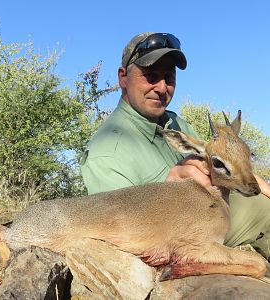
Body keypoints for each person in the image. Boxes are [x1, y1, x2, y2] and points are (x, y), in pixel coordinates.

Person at [80, 32, 270, 261]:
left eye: (169, 77)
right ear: (123, 77)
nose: (162, 88)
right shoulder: (107, 151)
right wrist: (167, 190)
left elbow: (222, 163)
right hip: (202, 241)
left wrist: (257, 181)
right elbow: (119, 229)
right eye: (150, 76)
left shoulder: (177, 123)